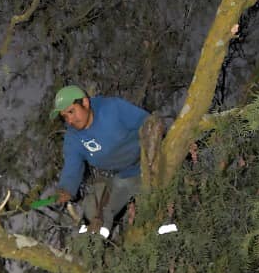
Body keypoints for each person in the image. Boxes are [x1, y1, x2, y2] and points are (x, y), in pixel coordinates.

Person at [50, 85, 177, 237]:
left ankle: (167, 227)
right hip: (125, 176)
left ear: (85, 103)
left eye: (71, 111)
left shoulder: (112, 108)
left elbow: (149, 124)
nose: (70, 120)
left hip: (152, 165)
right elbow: (72, 168)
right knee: (94, 209)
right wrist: (66, 189)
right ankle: (96, 242)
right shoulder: (73, 138)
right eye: (65, 116)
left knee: (159, 209)